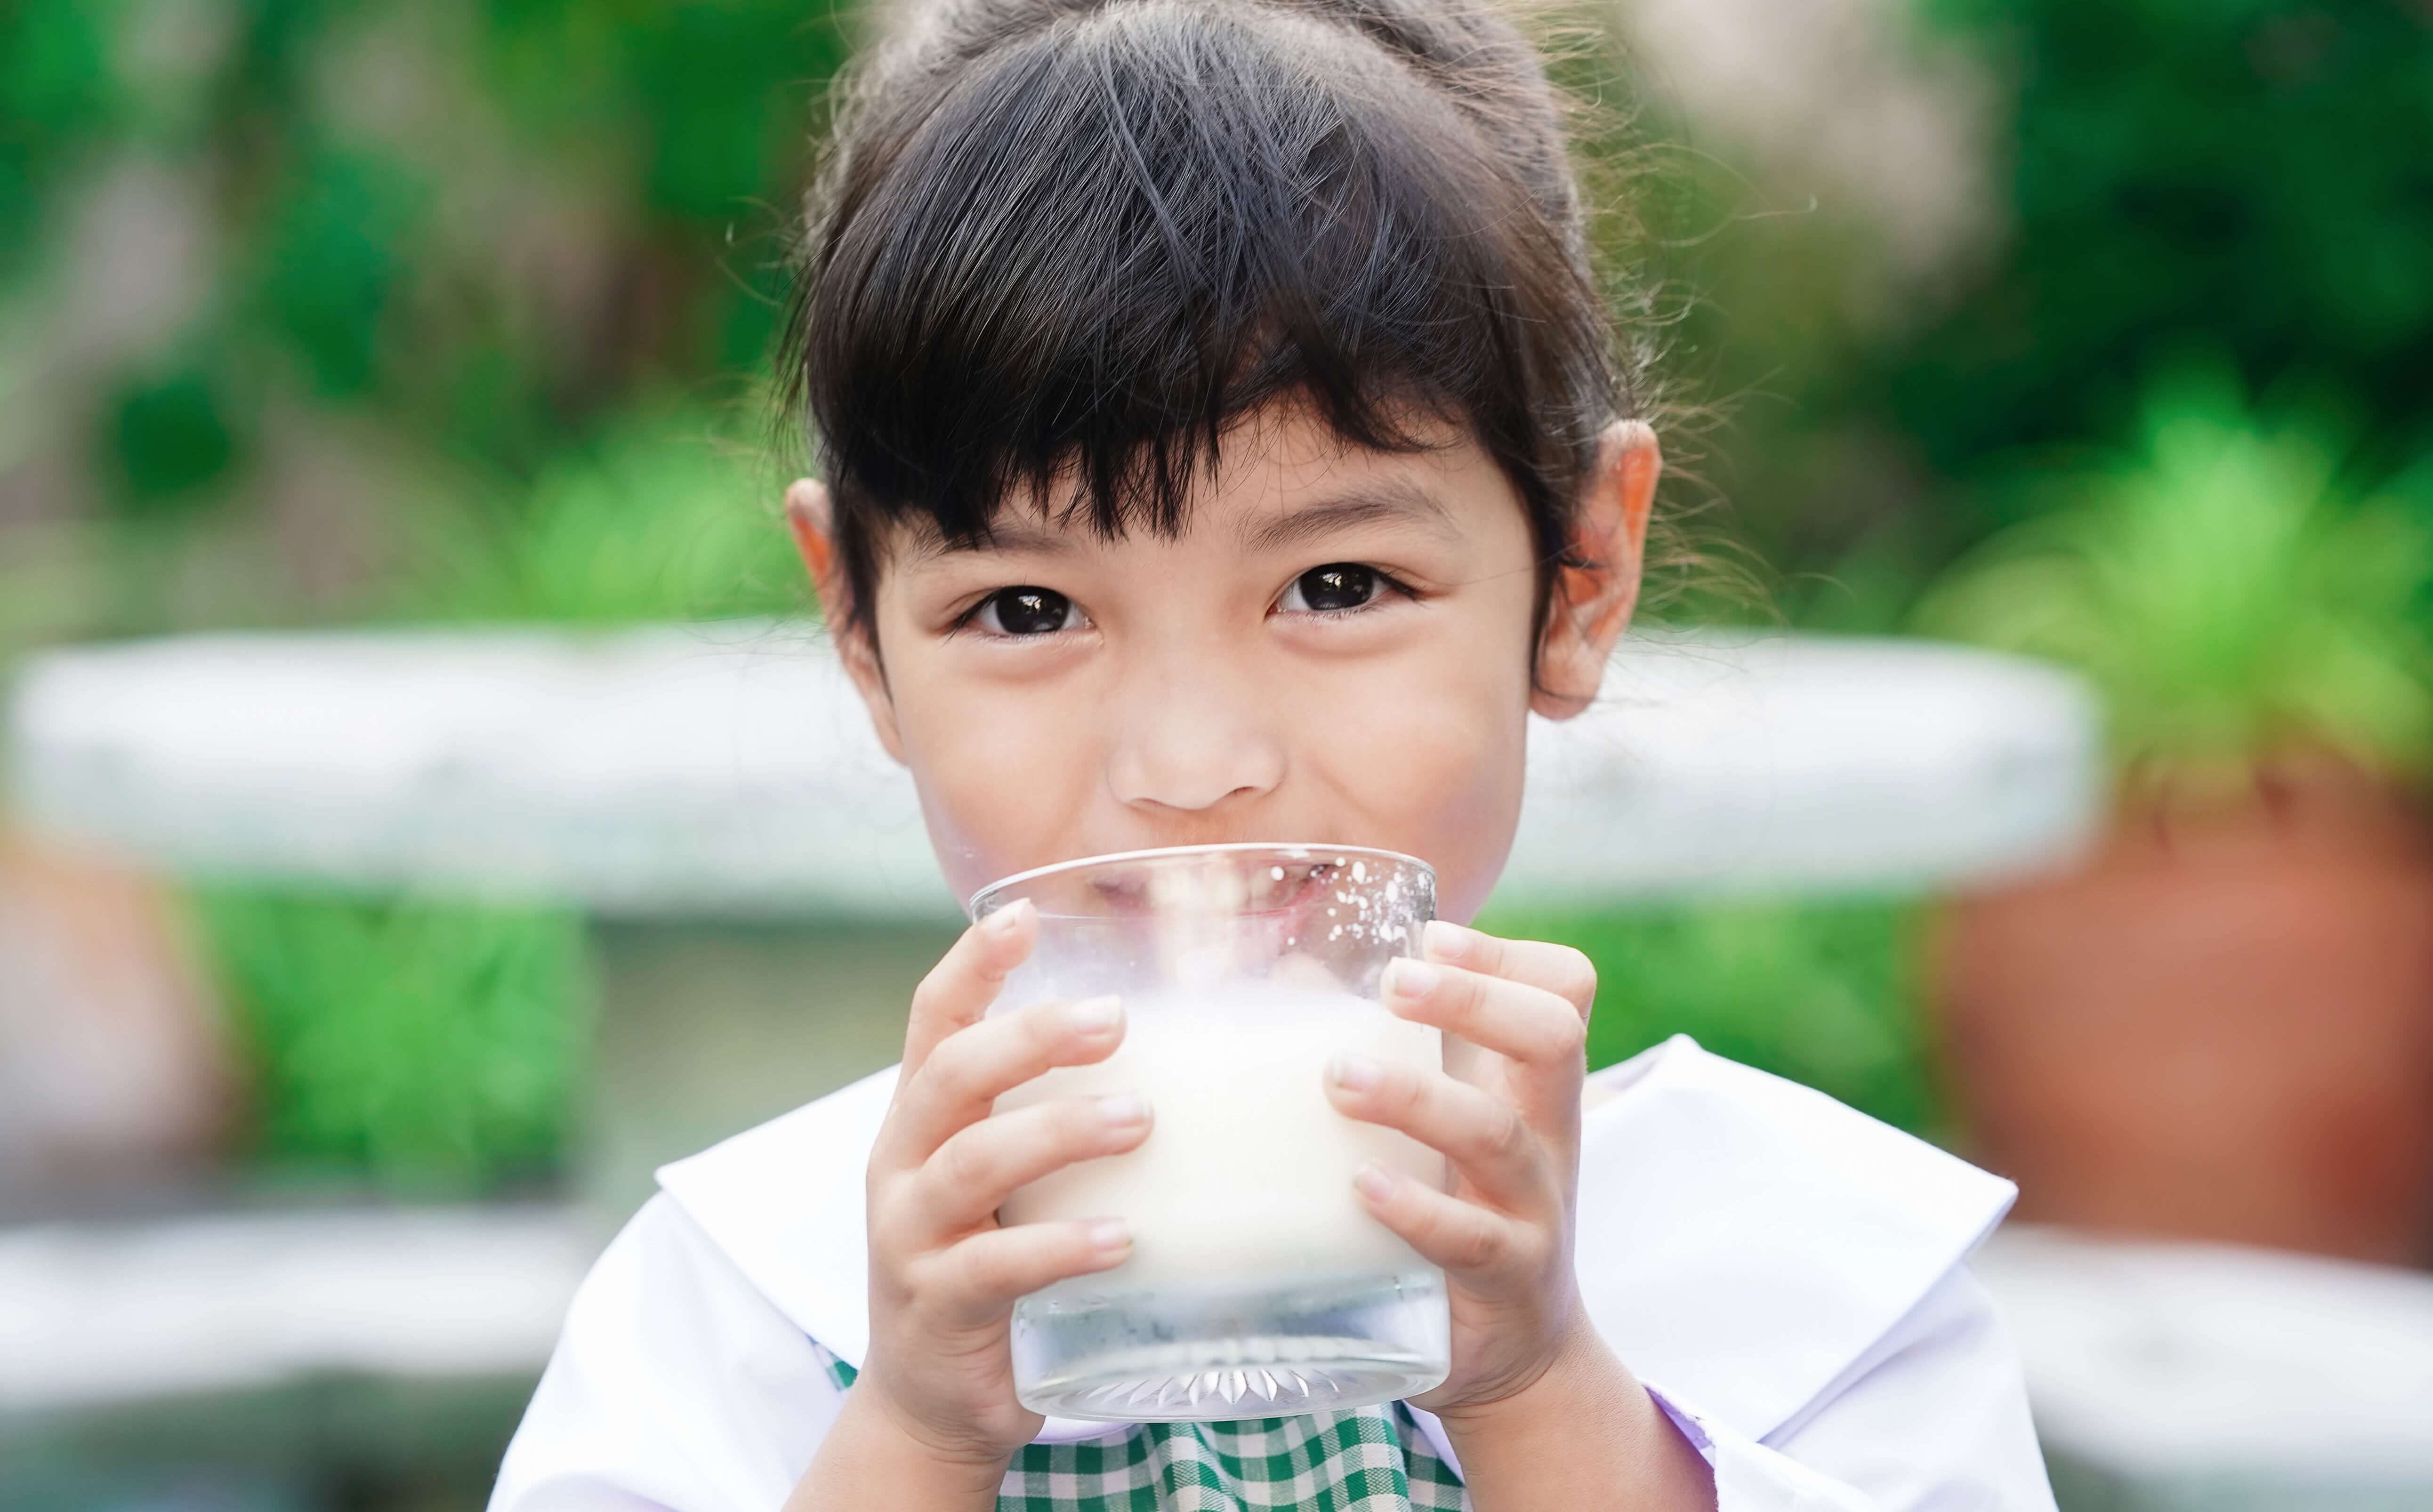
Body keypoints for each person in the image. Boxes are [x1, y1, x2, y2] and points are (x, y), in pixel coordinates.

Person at [490, 0, 2057, 1505]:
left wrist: (1538, 1387)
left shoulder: (1804, 1274)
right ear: (861, 635)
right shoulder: (752, 1310)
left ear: (1578, 576)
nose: (1190, 760)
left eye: (1337, 585)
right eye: (1027, 605)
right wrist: (909, 1433)